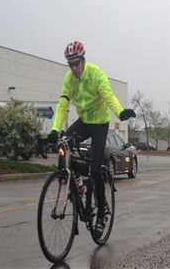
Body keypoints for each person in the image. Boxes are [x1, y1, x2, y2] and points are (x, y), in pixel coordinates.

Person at [47, 40, 136, 232]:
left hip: (99, 124)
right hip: (84, 121)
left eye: (76, 63)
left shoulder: (96, 75)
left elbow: (108, 96)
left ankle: (102, 211)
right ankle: (75, 183)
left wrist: (120, 113)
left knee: (95, 170)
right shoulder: (69, 78)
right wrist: (54, 129)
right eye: (70, 64)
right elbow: (63, 104)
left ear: (83, 60)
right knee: (63, 145)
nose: (74, 68)